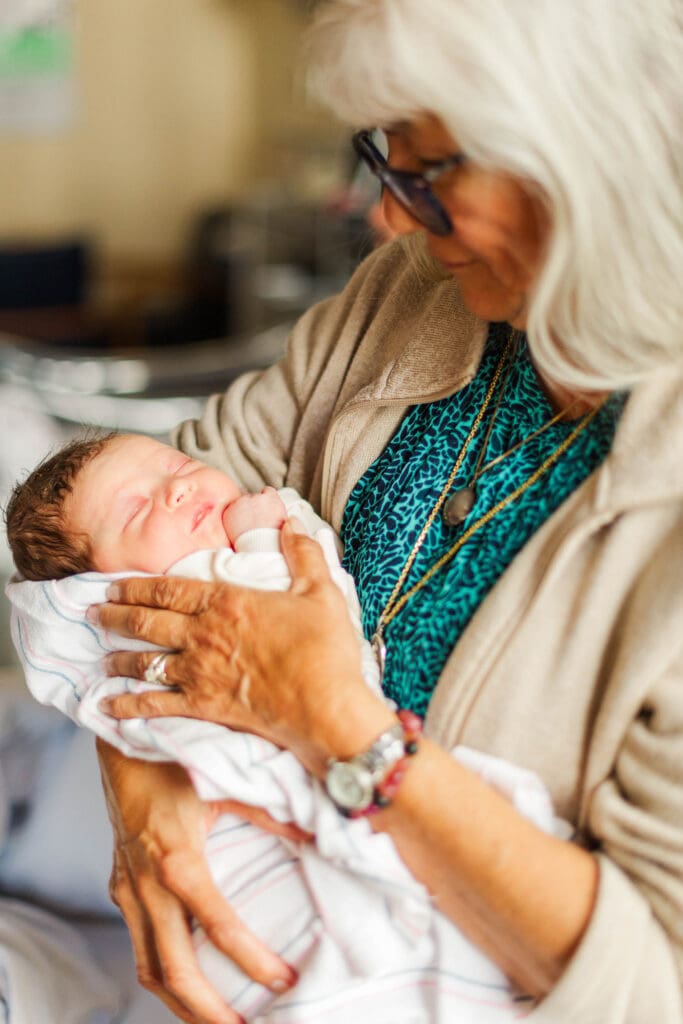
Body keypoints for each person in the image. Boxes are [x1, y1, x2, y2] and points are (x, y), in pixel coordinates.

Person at [53, 1, 683, 1022]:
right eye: (379, 155)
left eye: (422, 173)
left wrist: (340, 727)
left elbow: (654, 981)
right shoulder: (410, 292)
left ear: (582, 153)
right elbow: (140, 528)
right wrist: (149, 778)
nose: (386, 216)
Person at [6, 431, 561, 1023]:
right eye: (137, 507)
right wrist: (260, 533)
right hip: (250, 845)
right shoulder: (186, 588)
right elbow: (265, 590)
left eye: (180, 467)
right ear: (94, 587)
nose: (177, 490)